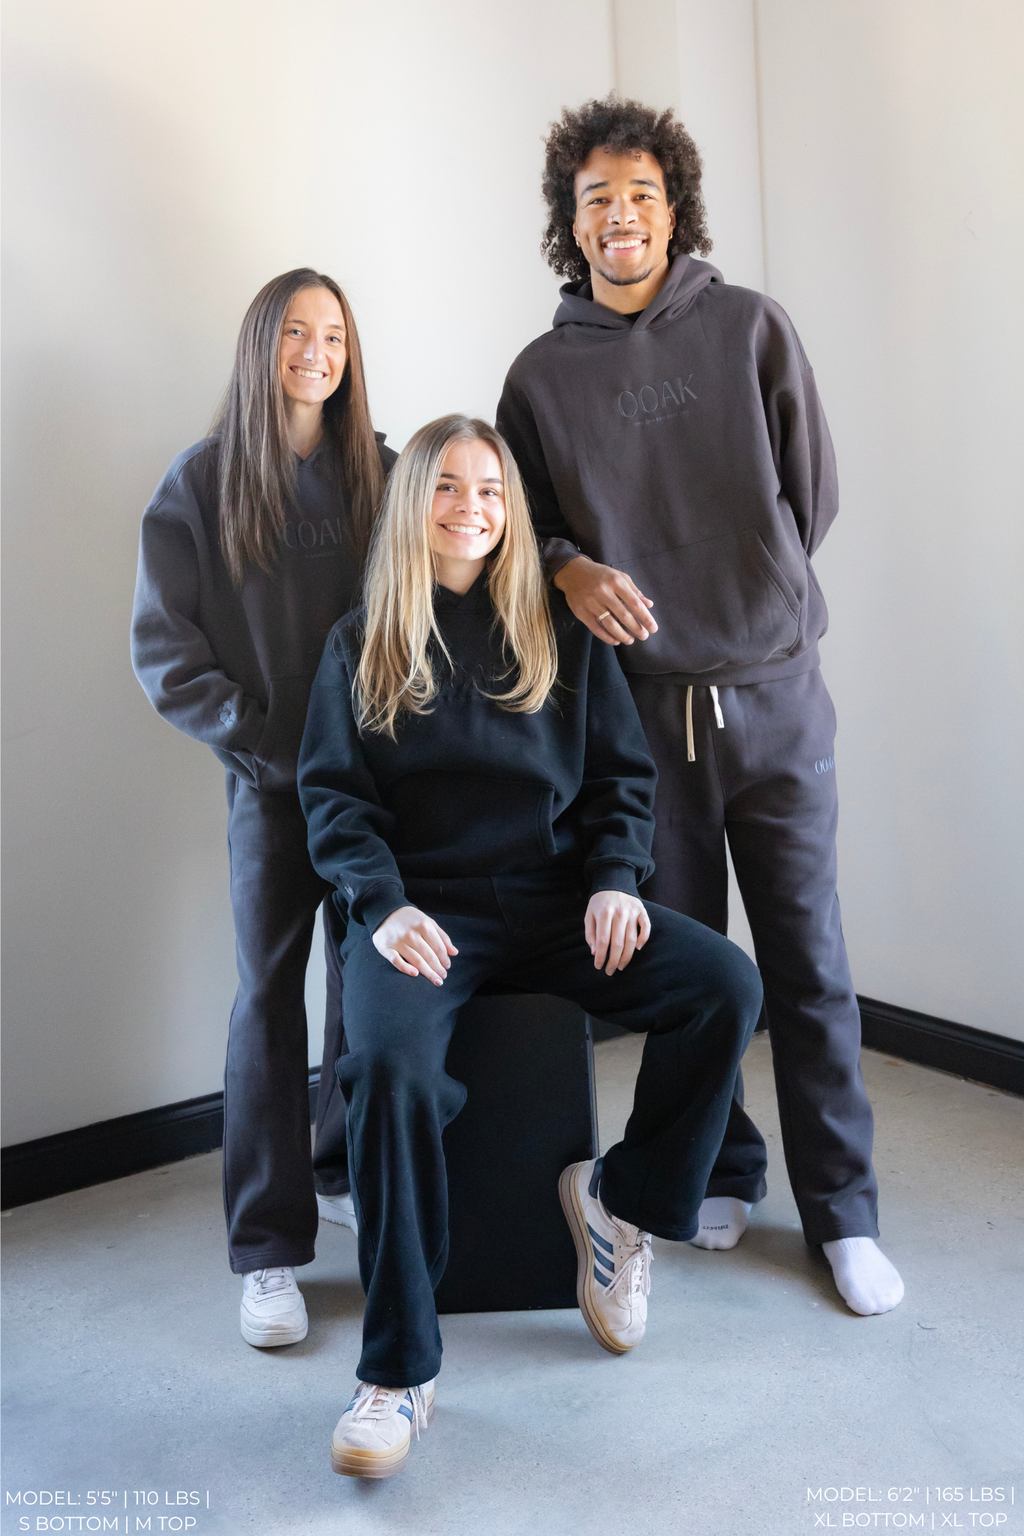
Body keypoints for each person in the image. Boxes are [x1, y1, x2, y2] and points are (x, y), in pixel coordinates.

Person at [495, 96, 904, 1317]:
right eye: (595, 200)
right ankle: (722, 1167)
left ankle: (845, 1218)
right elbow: (524, 533)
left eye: (640, 195)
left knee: (808, 967)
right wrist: (569, 565)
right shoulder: (539, 376)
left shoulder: (746, 329)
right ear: (571, 227)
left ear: (674, 209)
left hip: (773, 700)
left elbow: (810, 496)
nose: (619, 216)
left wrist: (751, 590)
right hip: (640, 724)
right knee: (690, 965)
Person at [297, 414, 762, 1478]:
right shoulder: (362, 638)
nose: (471, 508)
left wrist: (612, 879)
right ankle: (398, 1373)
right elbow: (333, 799)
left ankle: (623, 1202)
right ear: (414, 502)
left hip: (553, 903)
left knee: (723, 986)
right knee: (388, 1071)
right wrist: (382, 904)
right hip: (425, 914)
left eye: (492, 492)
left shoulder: (558, 632)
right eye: (449, 487)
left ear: (512, 513)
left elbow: (618, 781)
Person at [131, 268, 395, 1347]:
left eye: (333, 334)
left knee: (366, 992)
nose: (316, 351)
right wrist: (264, 741)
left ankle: (335, 1171)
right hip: (272, 792)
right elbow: (166, 652)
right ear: (262, 346)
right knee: (266, 1002)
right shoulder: (200, 485)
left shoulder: (380, 472)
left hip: (376, 789)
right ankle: (270, 1251)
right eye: (297, 331)